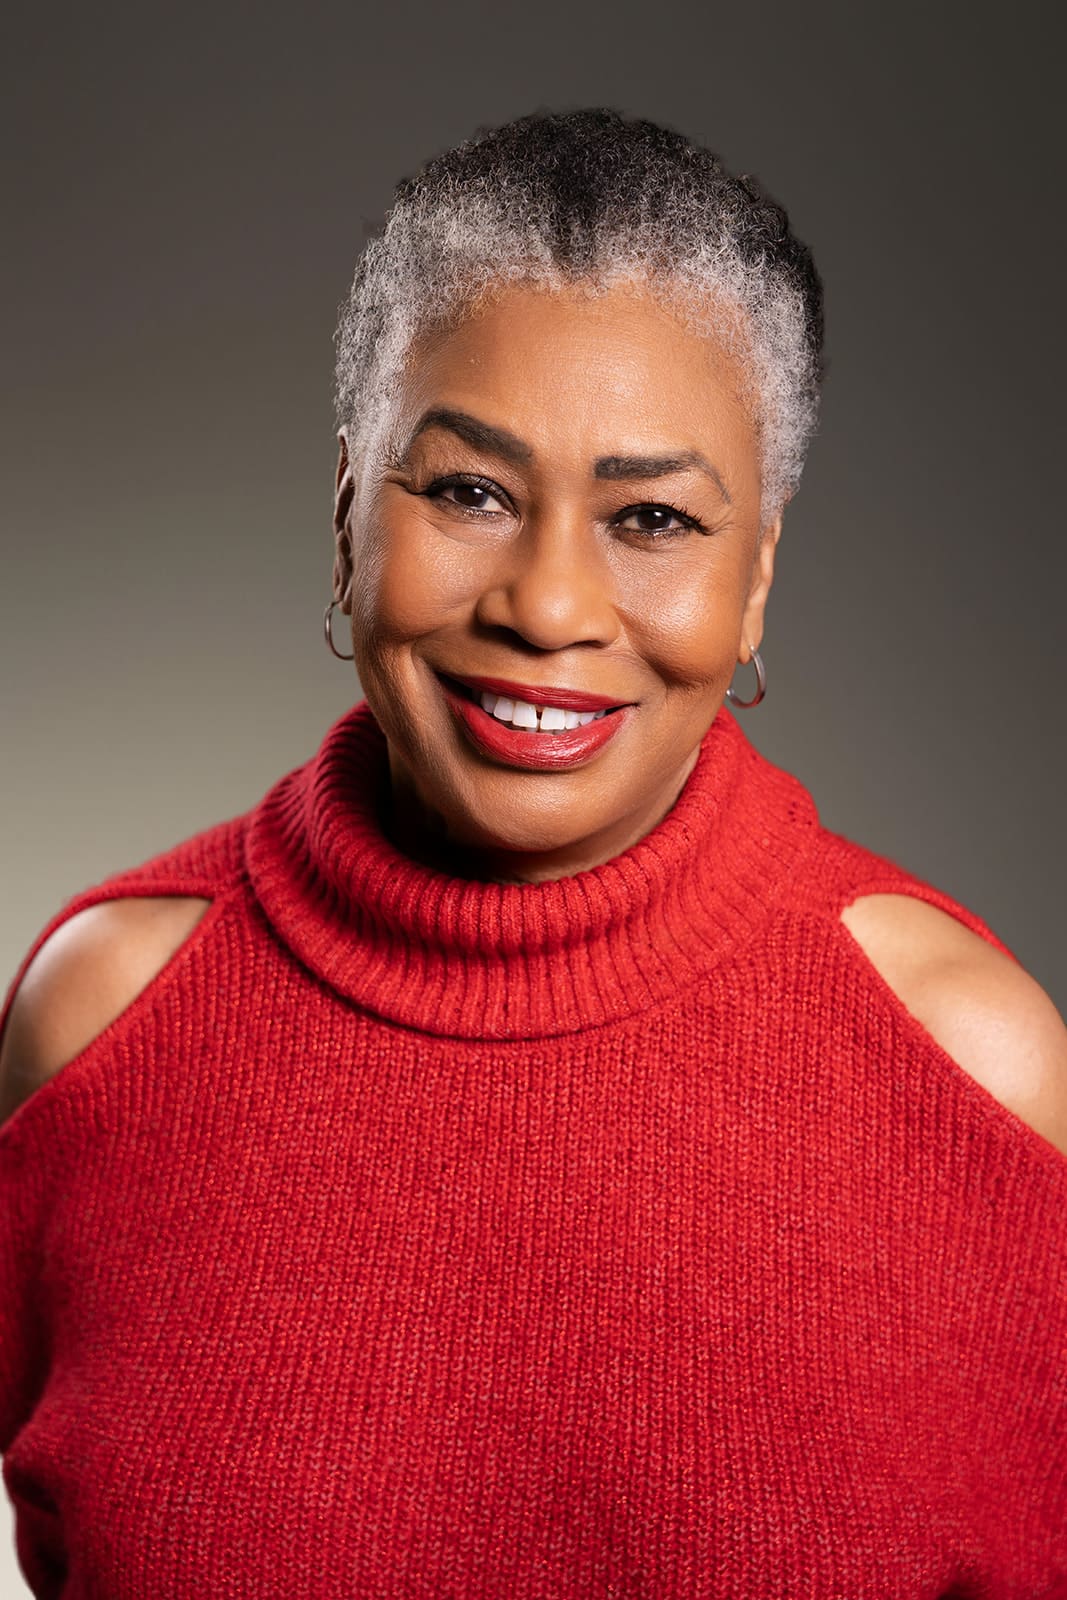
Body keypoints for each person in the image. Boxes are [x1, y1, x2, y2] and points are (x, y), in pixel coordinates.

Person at [0, 109, 1064, 1599]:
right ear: (347, 519)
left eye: (653, 517)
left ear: (757, 579)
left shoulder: (976, 1074)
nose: (550, 604)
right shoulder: (98, 1025)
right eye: (470, 492)